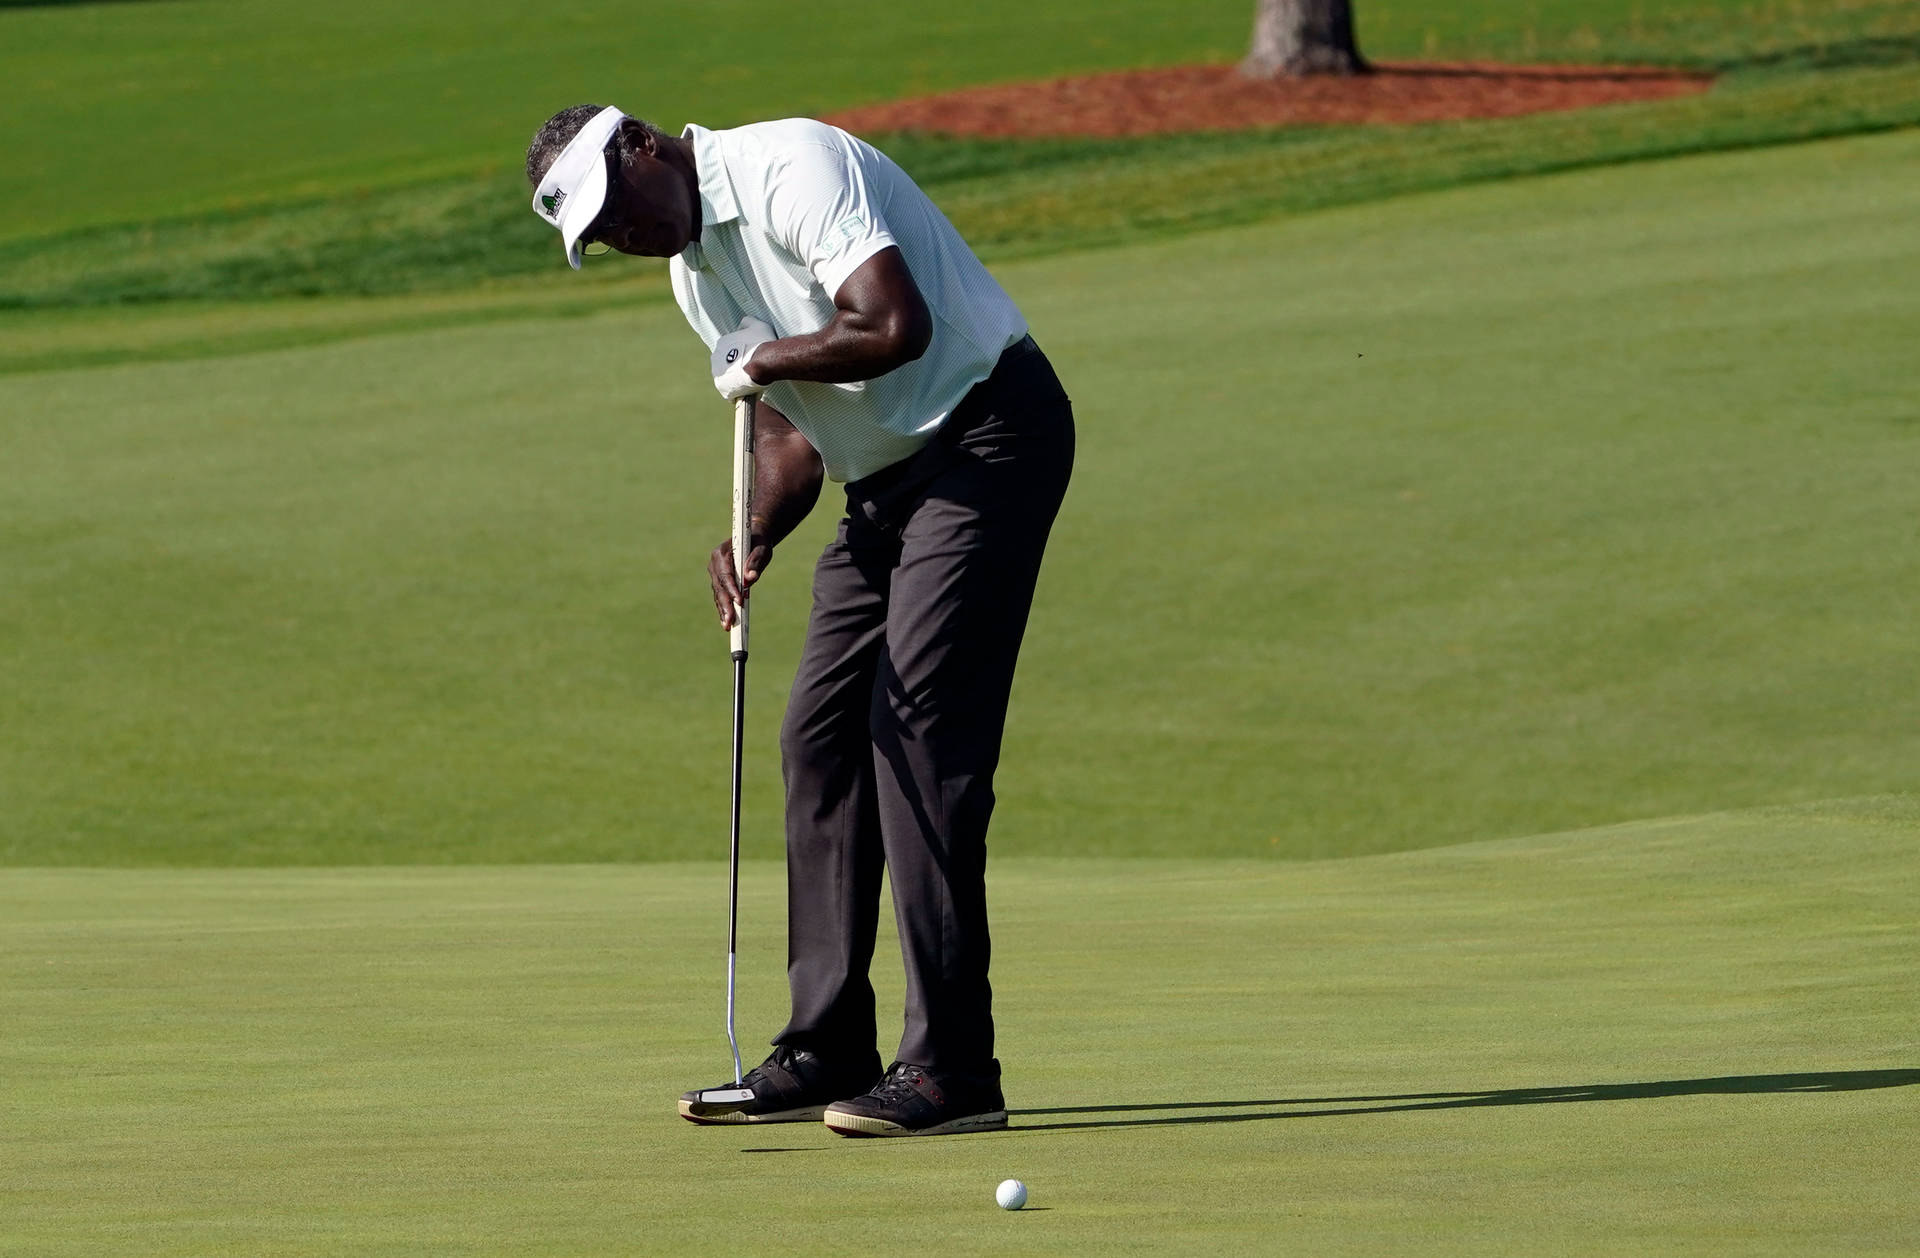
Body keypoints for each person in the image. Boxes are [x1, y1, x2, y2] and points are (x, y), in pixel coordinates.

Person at [525, 105, 1073, 1137]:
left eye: (616, 211)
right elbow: (790, 437)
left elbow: (886, 324)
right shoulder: (694, 273)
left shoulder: (791, 166)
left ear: (645, 146)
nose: (622, 238)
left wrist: (771, 358)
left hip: (986, 435)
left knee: (917, 732)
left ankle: (954, 1067)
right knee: (817, 737)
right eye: (597, 238)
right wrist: (756, 527)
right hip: (883, 486)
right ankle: (825, 1045)